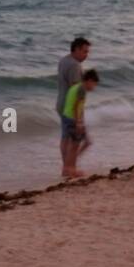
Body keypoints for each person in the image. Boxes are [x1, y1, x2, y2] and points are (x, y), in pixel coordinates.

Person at [56, 37, 90, 173]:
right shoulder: (75, 65)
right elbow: (75, 91)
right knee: (75, 139)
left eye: (87, 52)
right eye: (84, 52)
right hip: (70, 107)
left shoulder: (64, 60)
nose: (86, 55)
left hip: (61, 103)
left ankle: (66, 167)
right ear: (75, 49)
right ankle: (70, 168)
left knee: (65, 137)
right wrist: (79, 118)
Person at [60, 68, 100, 178]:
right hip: (72, 119)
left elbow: (77, 106)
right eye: (94, 84)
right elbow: (76, 106)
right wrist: (78, 123)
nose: (94, 87)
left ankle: (69, 169)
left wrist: (81, 122)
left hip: (67, 117)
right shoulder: (81, 89)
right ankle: (70, 169)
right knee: (75, 146)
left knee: (83, 143)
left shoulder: (76, 86)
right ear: (89, 81)